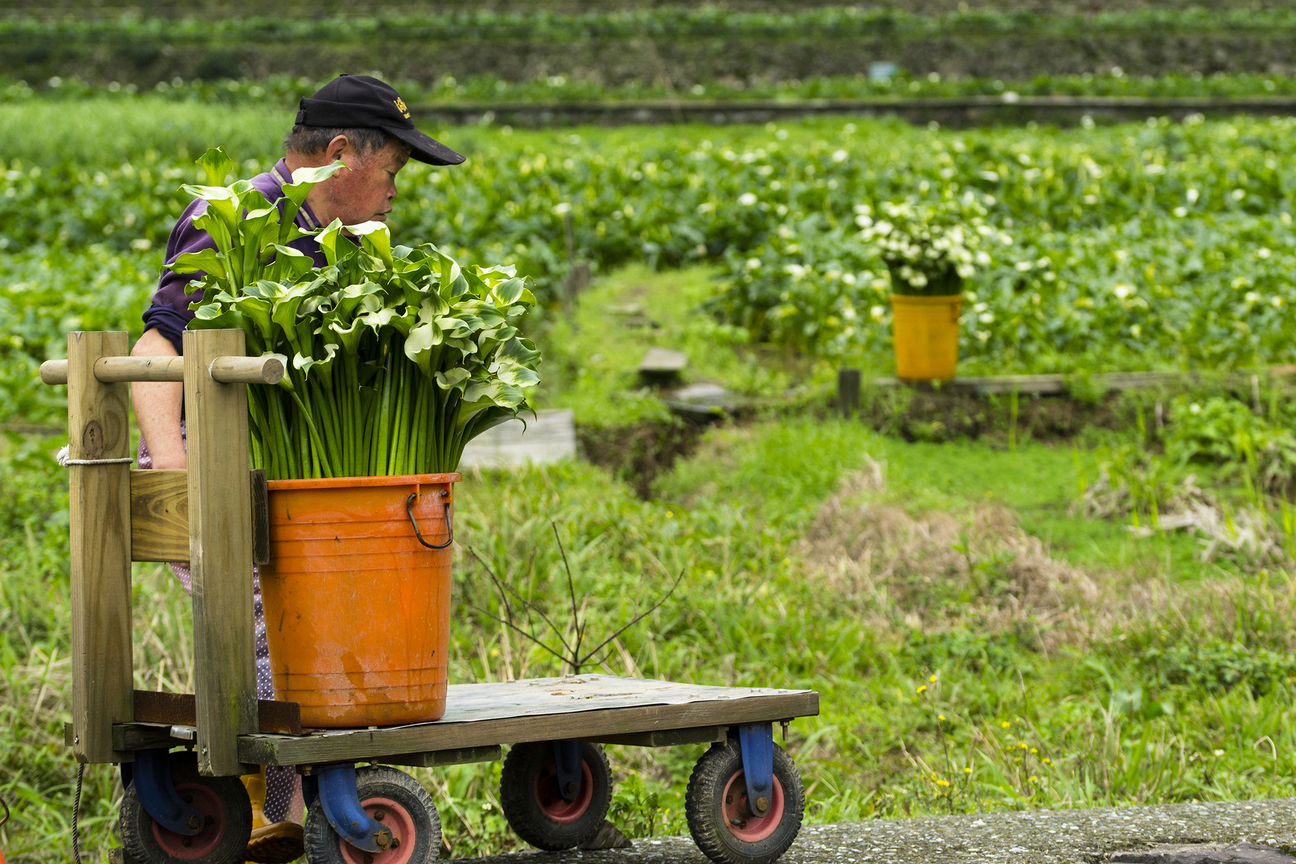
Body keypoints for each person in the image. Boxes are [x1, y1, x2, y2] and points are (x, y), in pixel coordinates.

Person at [130, 74, 464, 863]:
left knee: (307, 639)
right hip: (215, 467)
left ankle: (289, 813)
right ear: (340, 154)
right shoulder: (239, 216)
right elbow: (158, 346)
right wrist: (177, 468)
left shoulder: (340, 243)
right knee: (268, 643)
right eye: (390, 173)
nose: (392, 194)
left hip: (289, 477)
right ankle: (276, 814)